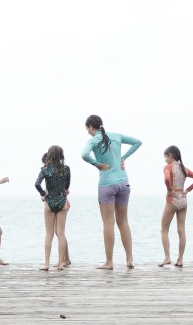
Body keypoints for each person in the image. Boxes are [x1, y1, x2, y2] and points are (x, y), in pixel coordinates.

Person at [81, 114, 142, 270]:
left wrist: (96, 164)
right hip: (123, 183)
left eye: (87, 129)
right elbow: (137, 142)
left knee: (108, 223)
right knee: (124, 222)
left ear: (90, 127)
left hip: (107, 184)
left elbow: (84, 154)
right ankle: (129, 259)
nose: (88, 132)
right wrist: (124, 158)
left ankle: (109, 262)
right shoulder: (116, 136)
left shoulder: (93, 140)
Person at [159, 145, 193, 267]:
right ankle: (180, 259)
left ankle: (167, 257)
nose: (165, 160)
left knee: (164, 229)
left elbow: (167, 178)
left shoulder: (168, 167)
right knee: (181, 230)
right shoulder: (184, 168)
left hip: (172, 199)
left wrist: (170, 189)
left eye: (165, 157)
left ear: (170, 155)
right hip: (183, 199)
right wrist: (187, 190)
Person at [35, 146, 71, 271]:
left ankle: (46, 264)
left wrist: (43, 194)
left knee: (49, 234)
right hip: (62, 202)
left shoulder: (45, 170)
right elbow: (67, 186)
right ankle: (61, 264)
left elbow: (37, 184)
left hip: (49, 203)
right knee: (61, 233)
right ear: (61, 155)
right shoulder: (66, 169)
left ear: (49, 155)